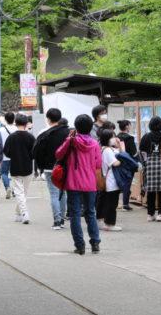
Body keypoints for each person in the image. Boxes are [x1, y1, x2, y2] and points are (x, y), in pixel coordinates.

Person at [55, 114, 102, 255]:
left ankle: (80, 245)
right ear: (90, 127)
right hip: (90, 183)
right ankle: (95, 242)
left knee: (75, 214)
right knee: (90, 212)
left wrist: (69, 139)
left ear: (76, 127)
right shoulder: (95, 144)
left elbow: (58, 154)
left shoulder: (71, 141)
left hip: (73, 182)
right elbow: (98, 164)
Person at [34, 108, 70, 230]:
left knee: (54, 194)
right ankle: (62, 219)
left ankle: (57, 221)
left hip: (50, 168)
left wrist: (41, 167)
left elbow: (36, 152)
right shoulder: (69, 133)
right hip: (65, 168)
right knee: (63, 193)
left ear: (48, 119)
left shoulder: (45, 134)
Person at [3, 114, 37, 224]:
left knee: (19, 192)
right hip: (28, 167)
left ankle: (23, 213)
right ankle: (20, 214)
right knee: (23, 192)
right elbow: (35, 152)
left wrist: (14, 155)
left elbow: (6, 152)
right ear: (26, 124)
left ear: (16, 123)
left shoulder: (11, 137)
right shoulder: (31, 137)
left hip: (15, 167)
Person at [139, 116, 161, 223]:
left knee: (150, 190)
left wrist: (144, 163)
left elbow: (141, 151)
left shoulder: (146, 136)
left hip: (150, 165)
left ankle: (150, 214)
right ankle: (160, 213)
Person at [96, 128, 123, 231]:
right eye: (113, 137)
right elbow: (115, 163)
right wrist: (123, 160)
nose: (115, 139)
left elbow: (121, 153)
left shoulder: (106, 148)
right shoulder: (107, 150)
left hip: (108, 180)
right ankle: (109, 224)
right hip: (110, 181)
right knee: (111, 203)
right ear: (107, 139)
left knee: (105, 201)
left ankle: (102, 221)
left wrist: (119, 146)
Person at [116, 120, 137, 211]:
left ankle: (118, 203)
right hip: (128, 163)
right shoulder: (129, 138)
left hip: (118, 162)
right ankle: (125, 204)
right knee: (127, 183)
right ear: (127, 126)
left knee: (118, 182)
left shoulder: (116, 137)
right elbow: (133, 152)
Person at [0, 112, 17, 198]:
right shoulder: (17, 129)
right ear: (14, 119)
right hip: (15, 155)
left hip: (4, 155)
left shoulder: (1, 130)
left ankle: (7, 187)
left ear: (5, 119)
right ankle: (14, 190)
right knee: (15, 174)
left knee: (4, 173)